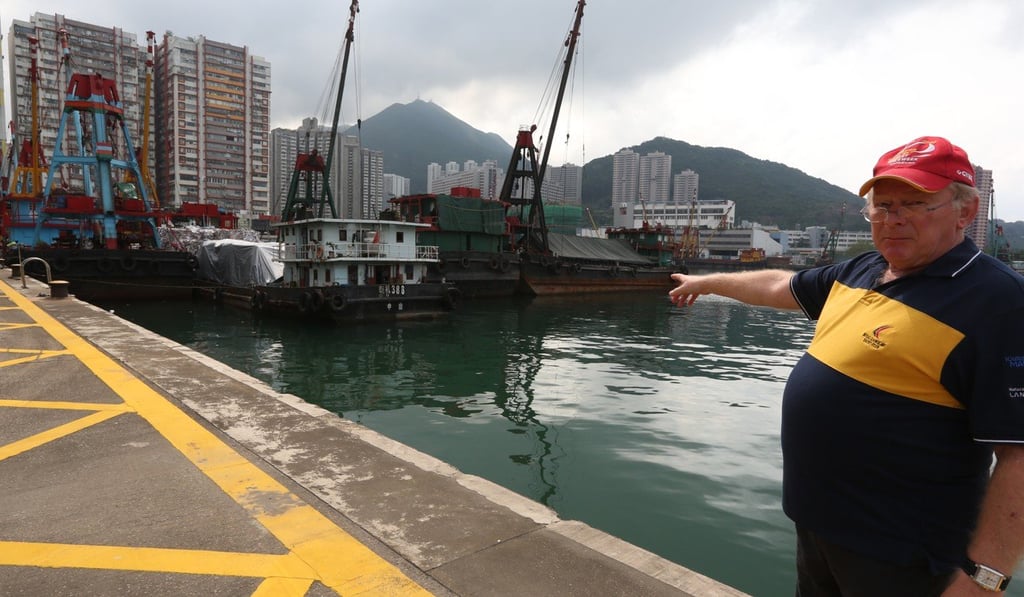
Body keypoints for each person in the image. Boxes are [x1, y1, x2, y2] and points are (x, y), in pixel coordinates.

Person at [669, 136, 1024, 596]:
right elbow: (781, 286)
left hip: (904, 553)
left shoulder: (997, 301)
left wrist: (984, 580)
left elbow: (1017, 455)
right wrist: (711, 281)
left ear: (965, 211)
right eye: (882, 205)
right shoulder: (863, 269)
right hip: (819, 529)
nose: (892, 220)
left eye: (914, 204)